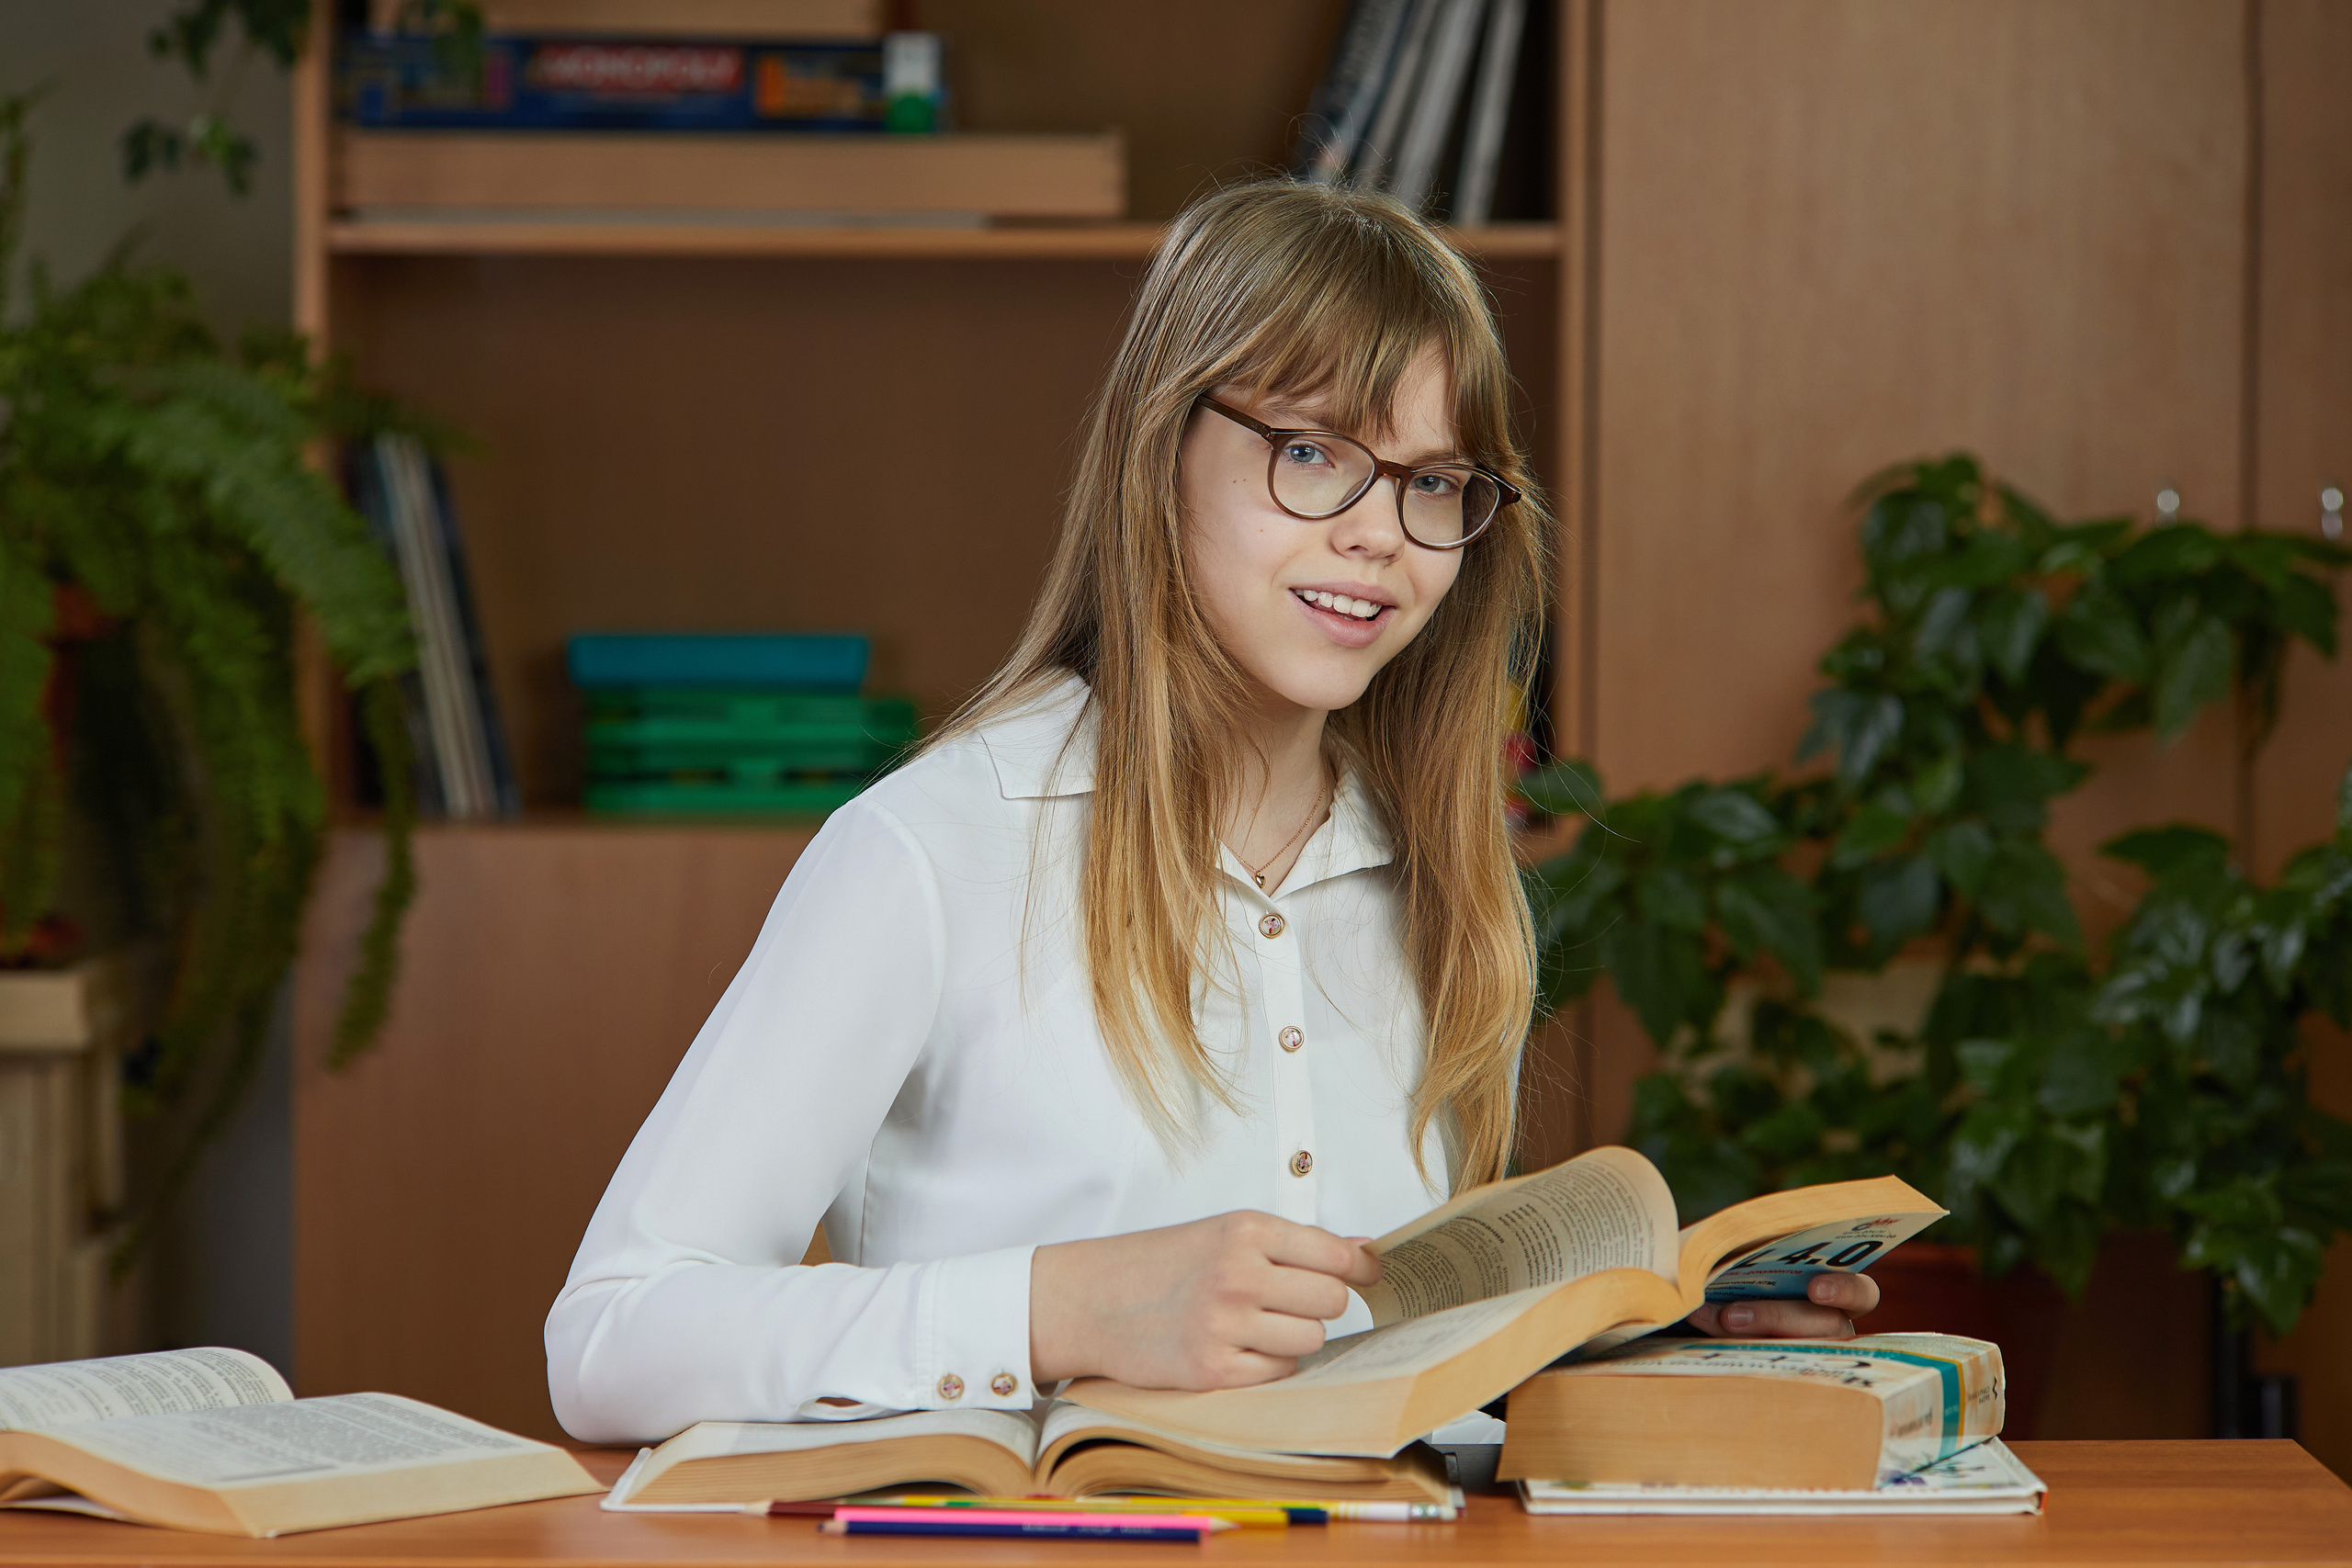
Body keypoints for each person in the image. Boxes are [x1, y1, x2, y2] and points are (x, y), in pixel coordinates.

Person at [545, 180, 1875, 1445]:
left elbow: (1407, 1359)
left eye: (1432, 483)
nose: (1382, 535)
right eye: (1313, 453)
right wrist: (1059, 1307)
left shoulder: (1448, 887)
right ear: (1161, 447)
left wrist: (1642, 1333)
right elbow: (612, 1339)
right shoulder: (928, 853)